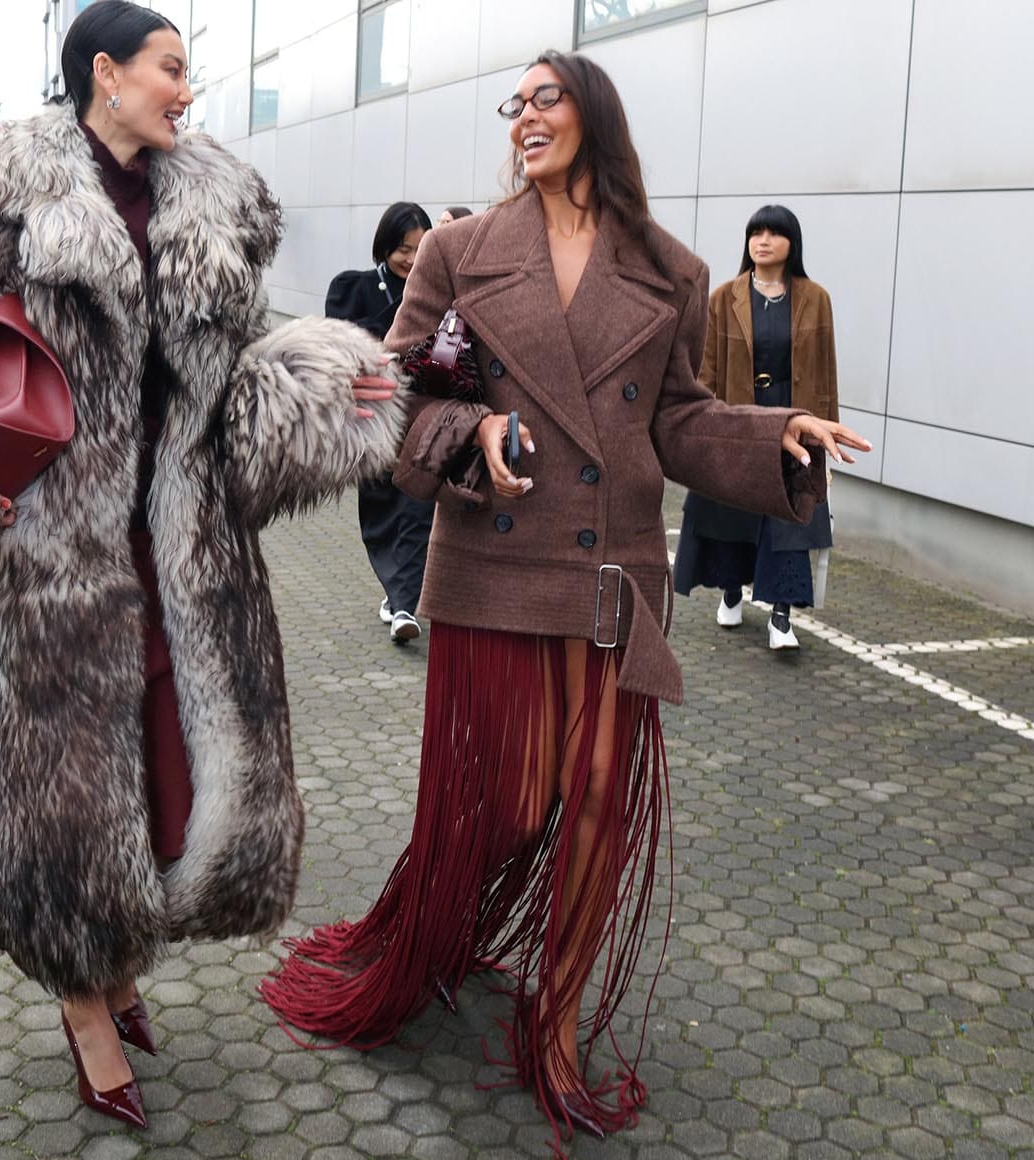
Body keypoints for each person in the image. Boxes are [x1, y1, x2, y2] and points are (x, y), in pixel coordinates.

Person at [0, 0, 404, 1132]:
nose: (188, 89)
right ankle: (88, 1001)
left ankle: (118, 965)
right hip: (36, 563)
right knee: (60, 799)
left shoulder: (211, 213)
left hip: (182, 560)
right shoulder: (1, 211)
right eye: (171, 67)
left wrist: (315, 395)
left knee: (166, 773)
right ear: (105, 73)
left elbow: (218, 407)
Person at [260, 50, 867, 1147]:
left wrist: (770, 435)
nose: (523, 118)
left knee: (594, 801)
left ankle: (560, 1014)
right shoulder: (457, 252)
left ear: (592, 113)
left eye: (543, 99)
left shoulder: (670, 270)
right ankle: (427, 931)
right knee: (509, 801)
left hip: (608, 567)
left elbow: (675, 419)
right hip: (495, 563)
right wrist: (470, 429)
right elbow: (397, 398)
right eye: (516, 104)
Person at [673, 205, 838, 649]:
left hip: (793, 416)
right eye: (755, 233)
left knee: (787, 515)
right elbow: (705, 370)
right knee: (734, 510)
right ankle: (730, 591)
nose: (762, 240)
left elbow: (825, 371)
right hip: (739, 416)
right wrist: (703, 425)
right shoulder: (724, 297)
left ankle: (780, 617)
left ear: (792, 243)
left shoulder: (815, 297)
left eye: (773, 233)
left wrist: (828, 432)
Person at [326, 200, 435, 643]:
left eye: (420, 248)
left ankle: (406, 605)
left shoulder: (436, 294)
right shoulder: (352, 287)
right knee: (381, 515)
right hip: (372, 423)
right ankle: (396, 595)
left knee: (416, 508)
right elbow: (343, 341)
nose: (411, 259)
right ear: (385, 246)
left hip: (422, 420)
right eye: (403, 249)